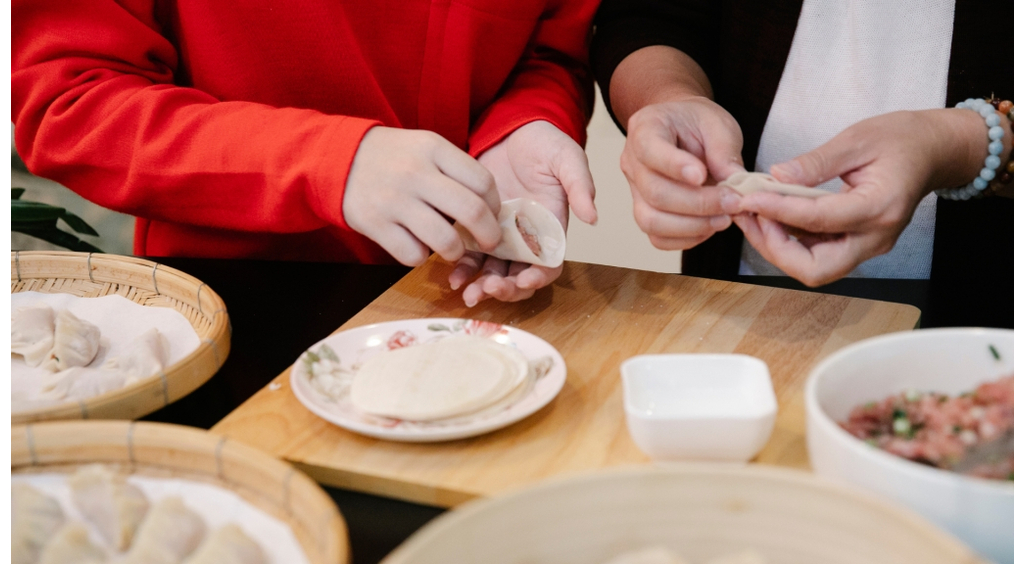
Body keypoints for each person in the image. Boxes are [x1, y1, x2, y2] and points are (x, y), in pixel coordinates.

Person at [12, 0, 601, 308]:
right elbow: (68, 98)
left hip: (470, 302)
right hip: (237, 306)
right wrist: (327, 162)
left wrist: (522, 125)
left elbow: (548, 48)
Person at [591, 0, 1013, 328]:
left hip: (987, 317)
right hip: (739, 300)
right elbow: (649, 17)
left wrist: (959, 145)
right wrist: (670, 100)